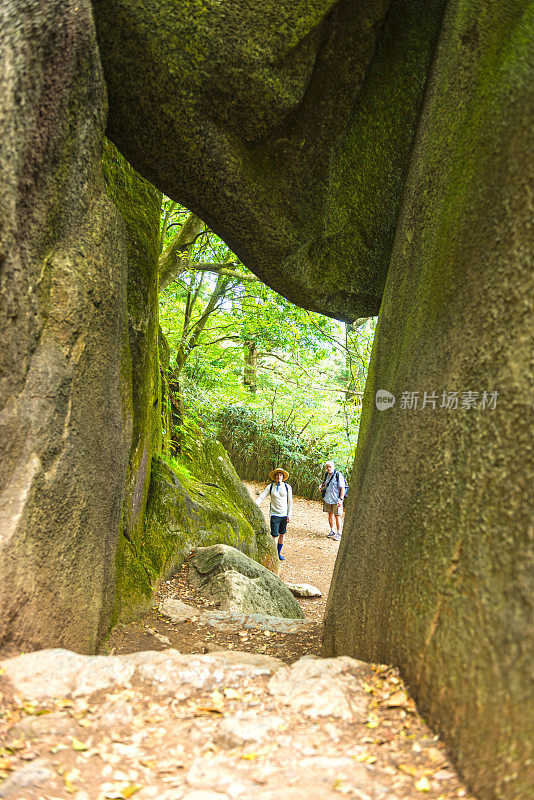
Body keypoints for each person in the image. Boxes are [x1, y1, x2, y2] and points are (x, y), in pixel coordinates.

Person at [255, 467, 293, 561]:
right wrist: (254, 504)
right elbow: (262, 496)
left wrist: (289, 514)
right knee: (274, 535)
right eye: (277, 475)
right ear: (275, 477)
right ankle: (273, 553)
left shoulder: (287, 487)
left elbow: (290, 501)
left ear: (283, 477)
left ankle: (278, 553)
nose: (278, 477)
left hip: (284, 514)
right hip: (274, 514)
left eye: (280, 475)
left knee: (282, 534)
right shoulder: (270, 487)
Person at [319, 460, 345, 540]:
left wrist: (341, 499)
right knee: (330, 514)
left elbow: (342, 488)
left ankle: (339, 532)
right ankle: (332, 530)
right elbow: (325, 483)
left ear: (333, 467)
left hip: (336, 500)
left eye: (330, 467)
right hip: (328, 499)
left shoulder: (338, 475)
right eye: (327, 467)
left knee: (337, 516)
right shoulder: (327, 475)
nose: (328, 468)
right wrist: (321, 486)